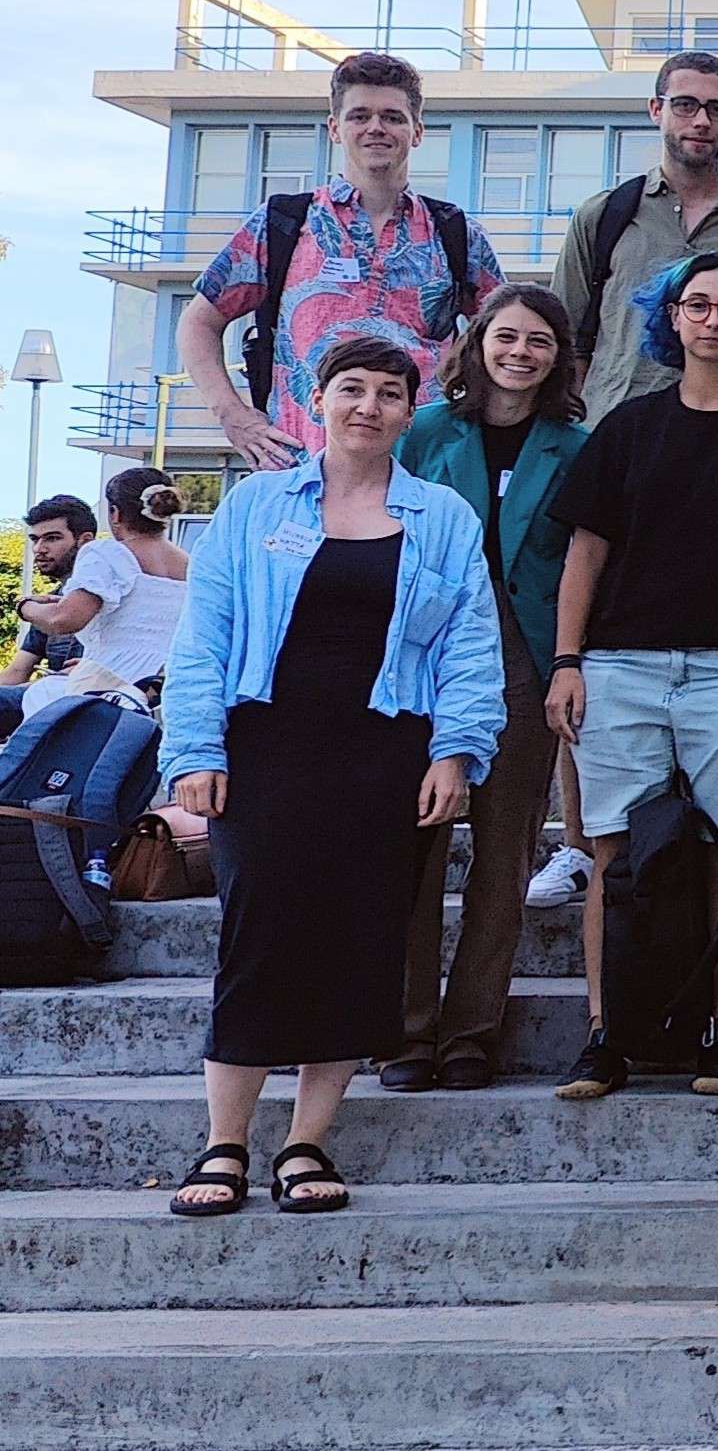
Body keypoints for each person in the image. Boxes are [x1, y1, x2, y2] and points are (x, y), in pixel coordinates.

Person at [160, 335, 502, 1219]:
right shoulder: (254, 505)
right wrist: (195, 749)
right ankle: (226, 1140)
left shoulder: (444, 517)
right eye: (351, 389)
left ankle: (308, 1140)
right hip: (264, 747)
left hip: (386, 749)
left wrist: (456, 751)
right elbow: (204, 632)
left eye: (391, 394)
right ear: (317, 400)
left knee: (359, 936)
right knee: (260, 930)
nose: (369, 407)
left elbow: (471, 644)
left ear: (408, 411)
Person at [543, 252, 718, 1102]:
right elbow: (582, 553)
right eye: (696, 304)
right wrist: (567, 661)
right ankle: (606, 1031)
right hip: (621, 669)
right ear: (670, 318)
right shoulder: (628, 426)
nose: (712, 319)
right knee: (613, 852)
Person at [384, 284, 586, 1092]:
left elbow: (584, 557)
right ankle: (404, 1032)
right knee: (415, 848)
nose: (521, 352)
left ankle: (471, 1029)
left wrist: (569, 659)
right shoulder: (428, 429)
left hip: (528, 652)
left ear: (558, 355)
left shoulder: (574, 442)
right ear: (479, 341)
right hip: (424, 649)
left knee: (506, 850)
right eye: (507, 336)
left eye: (539, 340)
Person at [181, 51, 502, 469]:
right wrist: (234, 417)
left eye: (392, 116)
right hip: (301, 467)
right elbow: (198, 322)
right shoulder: (283, 224)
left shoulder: (457, 234)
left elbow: (505, 336)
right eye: (359, 116)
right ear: (334, 128)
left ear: (417, 130)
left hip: (423, 470)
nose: (376, 128)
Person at [551, 51, 718, 425]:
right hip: (609, 432)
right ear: (656, 109)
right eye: (685, 105)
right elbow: (563, 336)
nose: (702, 121)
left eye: (717, 109)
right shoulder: (605, 215)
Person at [8, 468, 187, 711]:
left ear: (115, 513)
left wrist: (24, 606)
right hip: (164, 694)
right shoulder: (193, 565)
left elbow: (63, 620)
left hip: (104, 693)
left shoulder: (108, 552)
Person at [0, 496, 95, 730]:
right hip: (47, 706)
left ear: (85, 541)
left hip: (89, 714)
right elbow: (18, 671)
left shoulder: (113, 596)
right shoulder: (49, 603)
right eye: (35, 539)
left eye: (52, 538)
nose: (39, 549)